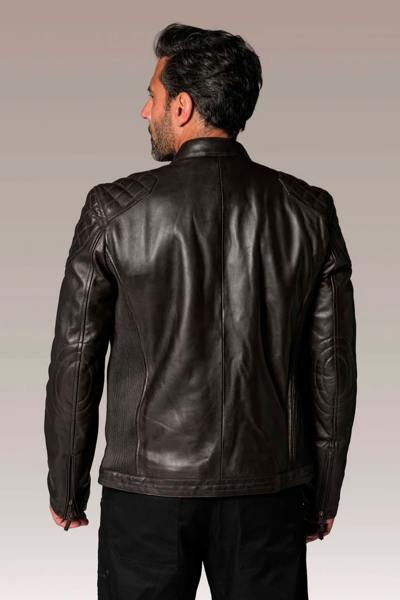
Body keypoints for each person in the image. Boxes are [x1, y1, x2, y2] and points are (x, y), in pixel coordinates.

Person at [44, 22, 357, 600]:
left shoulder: (114, 210)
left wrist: (66, 485)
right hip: (268, 491)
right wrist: (323, 494)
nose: (145, 110)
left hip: (146, 496)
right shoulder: (309, 212)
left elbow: (75, 359)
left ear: (183, 107)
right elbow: (332, 369)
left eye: (153, 96)